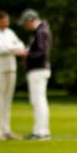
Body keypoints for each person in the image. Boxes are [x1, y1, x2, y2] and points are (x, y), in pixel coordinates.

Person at [0, 10, 27, 140]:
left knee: (7, 101)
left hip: (11, 69)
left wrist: (10, 48)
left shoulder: (10, 32)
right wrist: (13, 49)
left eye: (7, 21)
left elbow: (20, 44)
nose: (6, 24)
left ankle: (5, 129)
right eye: (3, 21)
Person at [19, 8, 52, 140]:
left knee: (39, 101)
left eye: (25, 23)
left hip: (38, 70)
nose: (25, 26)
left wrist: (27, 55)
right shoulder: (39, 31)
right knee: (36, 101)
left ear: (30, 20)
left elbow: (41, 52)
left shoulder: (41, 32)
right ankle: (39, 130)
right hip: (38, 70)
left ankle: (41, 132)